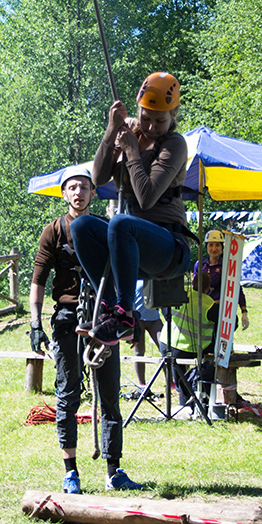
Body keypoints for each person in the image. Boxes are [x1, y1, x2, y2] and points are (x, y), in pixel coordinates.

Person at [29, 168, 143, 493]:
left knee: (110, 396)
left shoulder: (106, 230)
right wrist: (35, 323)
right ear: (64, 193)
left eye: (84, 187)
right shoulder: (53, 231)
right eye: (72, 187)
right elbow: (38, 279)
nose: (78, 192)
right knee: (68, 395)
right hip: (68, 319)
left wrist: (129, 318)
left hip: (104, 318)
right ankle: (71, 473)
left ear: (94, 193)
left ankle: (114, 471)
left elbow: (125, 276)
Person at [72, 71, 193, 347]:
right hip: (131, 249)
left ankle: (124, 316)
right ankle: (107, 309)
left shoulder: (174, 144)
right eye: (145, 118)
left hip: (169, 248)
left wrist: (131, 151)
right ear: (138, 110)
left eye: (160, 121)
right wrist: (111, 132)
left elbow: (146, 198)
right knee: (81, 225)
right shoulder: (130, 133)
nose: (150, 127)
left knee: (120, 223)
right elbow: (98, 179)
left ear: (173, 115)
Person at [162, 269, 218, 413]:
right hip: (192, 348)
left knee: (180, 378)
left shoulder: (180, 293)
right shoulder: (209, 304)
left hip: (168, 342)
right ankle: (194, 405)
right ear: (208, 288)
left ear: (192, 282)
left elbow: (164, 309)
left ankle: (184, 405)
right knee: (199, 374)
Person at [195, 230, 248, 329]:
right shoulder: (200, 265)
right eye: (211, 245)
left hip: (220, 309)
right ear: (206, 246)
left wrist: (244, 311)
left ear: (222, 247)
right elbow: (195, 288)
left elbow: (236, 288)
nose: (214, 249)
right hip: (203, 309)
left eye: (217, 245)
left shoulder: (227, 266)